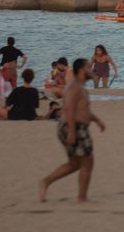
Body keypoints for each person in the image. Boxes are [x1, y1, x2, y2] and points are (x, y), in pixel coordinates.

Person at [40, 59, 104, 203]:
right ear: (82, 70)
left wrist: (97, 120)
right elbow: (68, 109)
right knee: (87, 162)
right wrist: (72, 132)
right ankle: (82, 198)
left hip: (75, 126)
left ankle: (46, 182)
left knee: (75, 163)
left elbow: (83, 109)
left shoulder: (80, 87)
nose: (91, 69)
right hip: (74, 126)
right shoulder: (74, 86)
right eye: (89, 67)